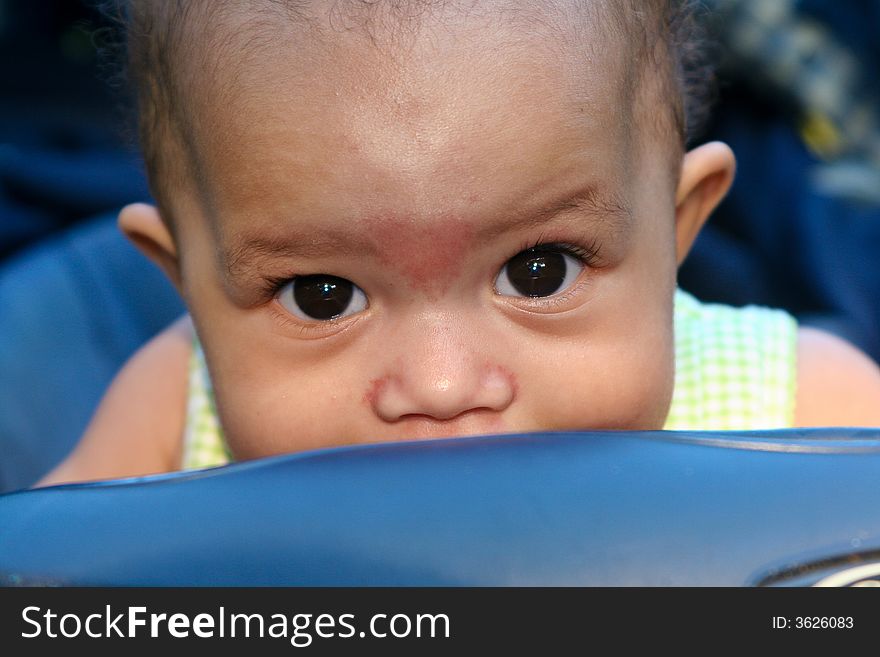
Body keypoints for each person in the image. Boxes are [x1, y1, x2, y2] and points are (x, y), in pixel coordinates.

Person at [37, 0, 880, 487]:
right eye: (322, 294)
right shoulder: (173, 420)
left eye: (538, 271)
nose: (441, 386)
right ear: (188, 281)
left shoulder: (806, 416)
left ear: (677, 226)